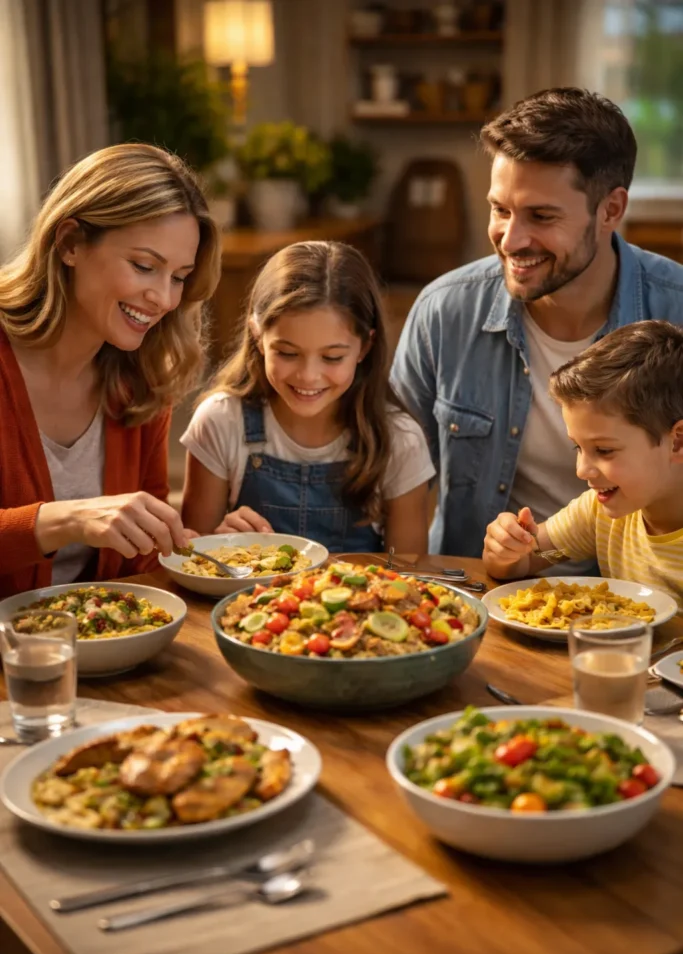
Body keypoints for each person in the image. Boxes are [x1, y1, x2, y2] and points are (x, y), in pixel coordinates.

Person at [391, 87, 683, 557]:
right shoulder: (444, 312)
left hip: (638, 589)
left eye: (541, 216)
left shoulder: (675, 311)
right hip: (480, 584)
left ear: (611, 210)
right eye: (500, 210)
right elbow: (387, 475)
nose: (510, 239)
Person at [0, 143, 221, 599]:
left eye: (179, 277)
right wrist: (63, 520)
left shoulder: (143, 381)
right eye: (144, 266)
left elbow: (139, 560)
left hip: (95, 638)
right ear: (70, 244)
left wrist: (208, 548)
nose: (163, 298)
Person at [181, 240, 435, 554]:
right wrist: (219, 542)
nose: (308, 376)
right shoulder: (220, 421)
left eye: (332, 358)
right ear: (258, 337)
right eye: (288, 353)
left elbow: (408, 571)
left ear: (365, 348)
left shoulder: (400, 439)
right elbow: (192, 559)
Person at [482, 320, 683, 605]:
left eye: (604, 450)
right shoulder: (598, 515)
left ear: (677, 442)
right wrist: (511, 551)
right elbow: (541, 556)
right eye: (578, 447)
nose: (581, 470)